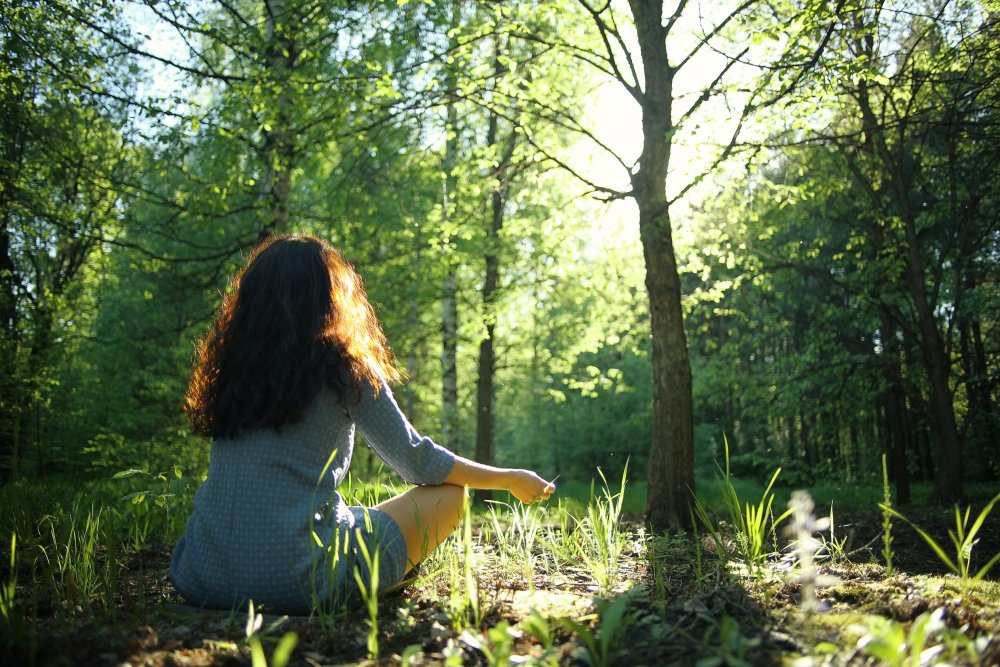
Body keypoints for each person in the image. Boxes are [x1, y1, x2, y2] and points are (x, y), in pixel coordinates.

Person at [170, 235, 555, 614]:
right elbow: (418, 463)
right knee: (450, 496)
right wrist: (509, 478)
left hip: (201, 574)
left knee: (349, 515)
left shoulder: (230, 372)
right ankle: (379, 581)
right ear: (330, 297)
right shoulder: (343, 369)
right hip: (298, 585)